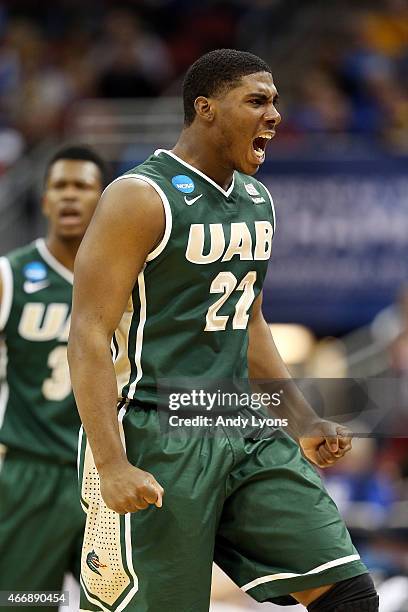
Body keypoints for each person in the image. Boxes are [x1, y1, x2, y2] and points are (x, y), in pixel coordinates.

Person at [68, 50, 379, 611]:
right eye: (257, 101)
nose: (275, 115)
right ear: (206, 108)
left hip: (238, 421)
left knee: (348, 595)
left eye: (276, 102)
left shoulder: (258, 199)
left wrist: (302, 418)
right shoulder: (140, 196)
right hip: (154, 427)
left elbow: (250, 320)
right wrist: (111, 462)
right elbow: (87, 333)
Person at [0, 145, 107, 609]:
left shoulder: (127, 281)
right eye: (59, 187)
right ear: (44, 200)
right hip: (32, 471)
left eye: (82, 187)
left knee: (110, 604)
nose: (68, 196)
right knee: (25, 602)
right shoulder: (11, 275)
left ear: (103, 200)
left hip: (106, 476)